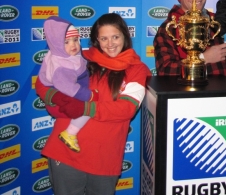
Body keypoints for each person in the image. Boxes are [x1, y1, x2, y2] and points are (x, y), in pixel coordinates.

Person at [35, 13, 151, 195]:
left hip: (105, 157)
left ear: (125, 37)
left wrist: (85, 108)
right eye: (104, 38)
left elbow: (126, 109)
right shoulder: (82, 57)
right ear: (96, 40)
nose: (110, 43)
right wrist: (57, 97)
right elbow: (43, 81)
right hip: (66, 152)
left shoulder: (137, 70)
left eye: (115, 37)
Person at [38, 16, 97, 153]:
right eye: (66, 42)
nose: (73, 45)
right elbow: (69, 88)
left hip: (66, 95)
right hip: (65, 99)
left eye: (76, 40)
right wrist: (89, 95)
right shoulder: (62, 66)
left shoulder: (66, 56)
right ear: (57, 44)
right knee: (88, 109)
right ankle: (70, 133)